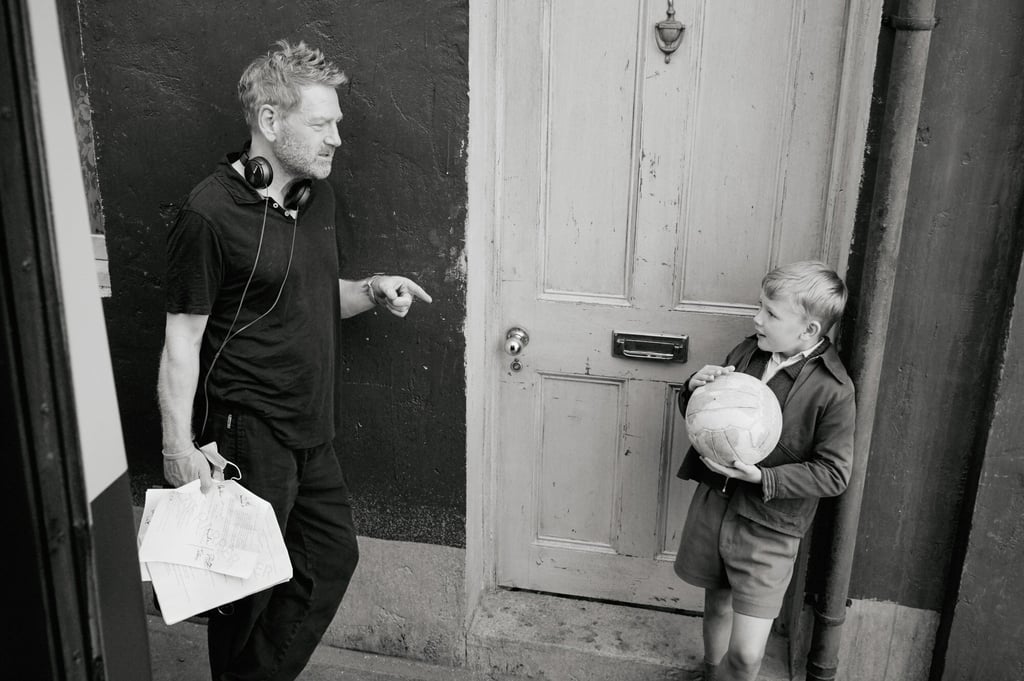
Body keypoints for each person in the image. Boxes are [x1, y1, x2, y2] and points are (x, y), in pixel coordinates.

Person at [156, 39, 432, 681]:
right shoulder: (208, 214)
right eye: (322, 123)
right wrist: (176, 446)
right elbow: (181, 340)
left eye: (337, 123)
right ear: (270, 121)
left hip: (311, 430)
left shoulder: (315, 200)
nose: (337, 138)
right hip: (247, 434)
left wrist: (373, 289)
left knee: (329, 559)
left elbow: (310, 295)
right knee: (242, 593)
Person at [673, 261, 855, 681]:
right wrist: (695, 388)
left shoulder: (834, 389)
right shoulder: (746, 352)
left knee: (746, 655)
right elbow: (708, 423)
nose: (757, 319)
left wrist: (764, 478)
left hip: (771, 528)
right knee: (717, 606)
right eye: (760, 307)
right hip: (715, 505)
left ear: (809, 329)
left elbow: (834, 474)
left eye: (770, 313)